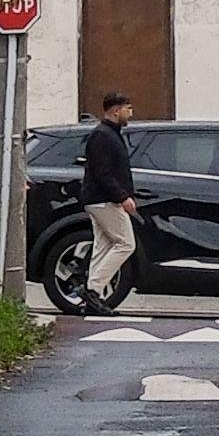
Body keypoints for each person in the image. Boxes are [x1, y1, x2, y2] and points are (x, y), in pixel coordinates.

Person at [80, 90, 139, 304]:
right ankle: (93, 289)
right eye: (128, 109)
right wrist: (123, 196)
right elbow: (102, 172)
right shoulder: (102, 135)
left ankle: (92, 297)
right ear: (116, 110)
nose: (130, 113)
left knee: (103, 245)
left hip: (101, 199)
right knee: (126, 244)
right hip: (104, 200)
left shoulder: (109, 134)